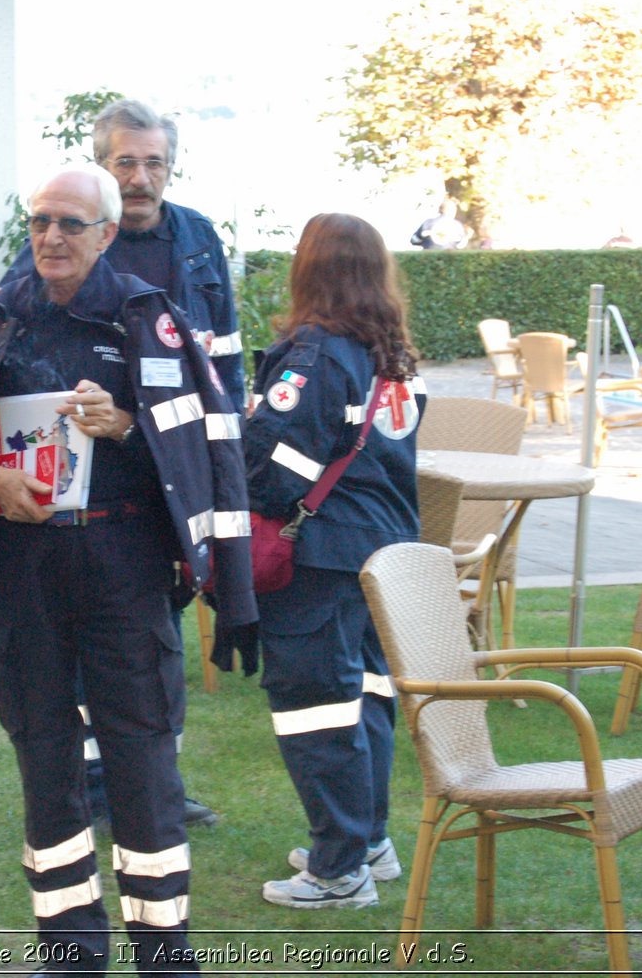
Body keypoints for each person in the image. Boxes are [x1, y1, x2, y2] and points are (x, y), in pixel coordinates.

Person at [0, 164, 255, 973]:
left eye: (70, 224)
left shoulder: (149, 319)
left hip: (124, 570)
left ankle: (164, 953)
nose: (51, 238)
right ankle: (69, 951)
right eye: (40, 222)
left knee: (142, 762)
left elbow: (210, 452)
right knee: (45, 762)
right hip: (26, 573)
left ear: (106, 235)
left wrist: (130, 426)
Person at [1, 99, 240, 826]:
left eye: (154, 163)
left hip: (172, 472)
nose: (141, 178)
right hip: (84, 491)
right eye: (125, 163)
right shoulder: (61, 238)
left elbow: (221, 360)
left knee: (155, 641)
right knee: (87, 646)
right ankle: (95, 786)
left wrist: (223, 456)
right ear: (102, 170)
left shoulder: (197, 240)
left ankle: (150, 777)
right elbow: (14, 354)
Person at [242, 213, 424, 909]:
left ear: (309, 268)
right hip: (385, 551)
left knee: (315, 708)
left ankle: (338, 870)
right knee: (369, 696)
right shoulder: (394, 357)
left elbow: (273, 466)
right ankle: (366, 841)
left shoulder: (315, 354)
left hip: (320, 555)